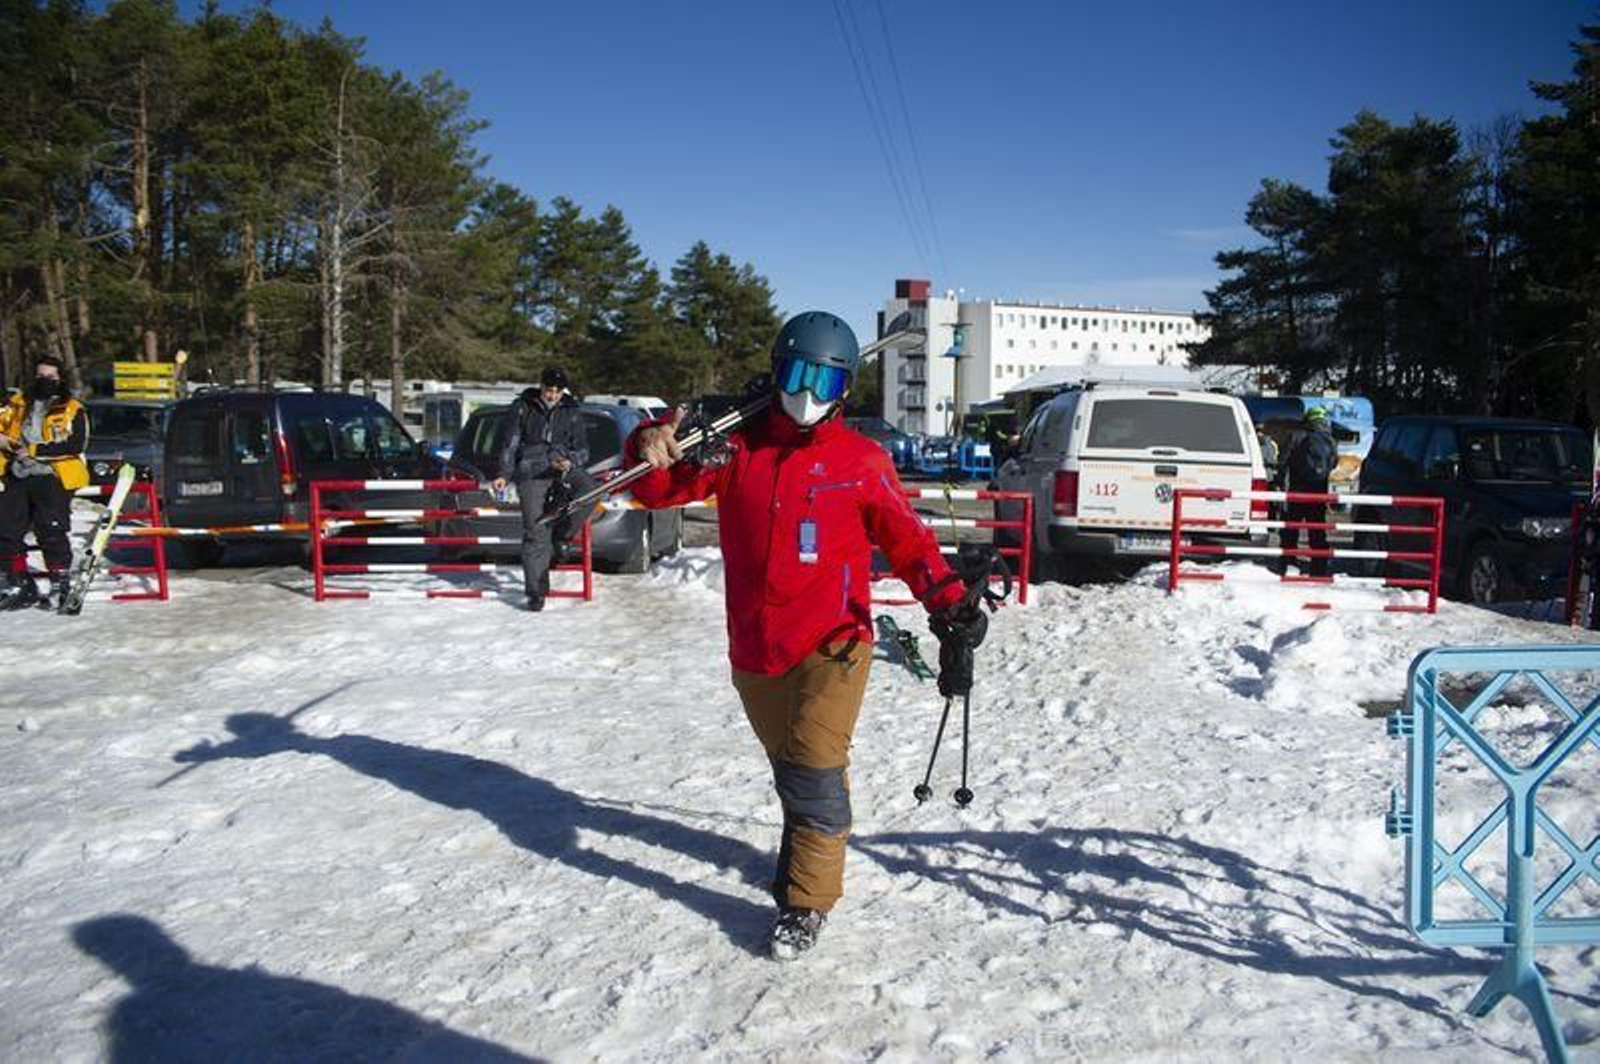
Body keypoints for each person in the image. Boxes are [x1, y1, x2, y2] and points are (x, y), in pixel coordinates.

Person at [627, 310, 986, 961]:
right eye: (797, 375)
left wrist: (949, 601)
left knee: (815, 769)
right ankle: (806, 851)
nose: (808, 395)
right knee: (793, 768)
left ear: (846, 389)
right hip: (758, 648)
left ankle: (805, 904)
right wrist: (649, 443)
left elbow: (909, 540)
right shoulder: (736, 449)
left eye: (826, 381)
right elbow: (656, 491)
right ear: (774, 372)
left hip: (836, 642)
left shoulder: (861, 461)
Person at [492, 367, 590, 611]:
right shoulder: (523, 406)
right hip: (531, 471)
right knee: (536, 530)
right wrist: (503, 474)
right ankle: (536, 591)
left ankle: (562, 536)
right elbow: (510, 444)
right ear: (541, 386)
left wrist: (570, 461)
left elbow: (583, 449)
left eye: (557, 390)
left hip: (562, 467)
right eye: (549, 389)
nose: (553, 394)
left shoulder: (572, 410)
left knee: (588, 488)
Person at [0, 355, 89, 611]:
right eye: (41, 376)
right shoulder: (17, 404)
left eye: (51, 377)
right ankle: (18, 582)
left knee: (50, 529)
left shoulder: (73, 408)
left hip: (52, 474)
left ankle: (60, 582)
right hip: (17, 473)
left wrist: (35, 450)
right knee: (7, 529)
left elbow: (76, 444)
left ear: (60, 378)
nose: (45, 381)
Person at [1276, 405, 1337, 578]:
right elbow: (1333, 464)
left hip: (1296, 492)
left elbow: (1282, 463)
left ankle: (1288, 565)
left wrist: (1279, 482)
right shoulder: (1330, 440)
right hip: (1318, 493)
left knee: (1290, 530)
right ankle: (1319, 569)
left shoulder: (1295, 436)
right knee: (1317, 531)